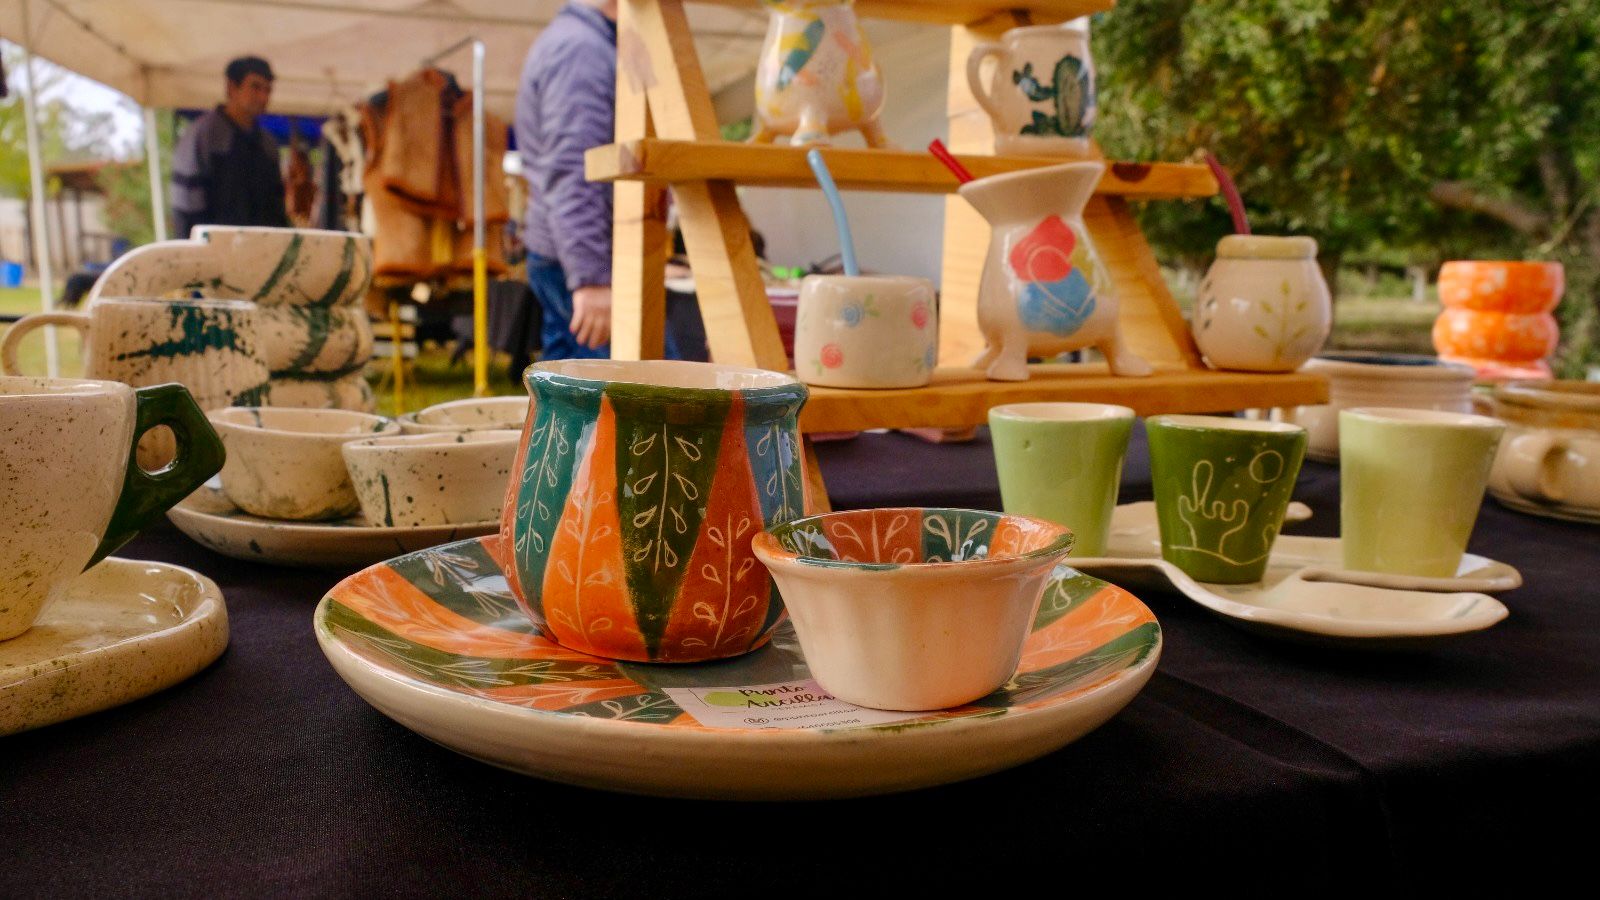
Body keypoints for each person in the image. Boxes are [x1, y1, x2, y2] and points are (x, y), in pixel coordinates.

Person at [170, 56, 290, 238]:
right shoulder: (203, 135)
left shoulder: (267, 144)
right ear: (232, 87)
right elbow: (185, 204)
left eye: (268, 90)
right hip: (214, 249)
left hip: (260, 249)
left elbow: (276, 207)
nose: (263, 97)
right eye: (255, 87)